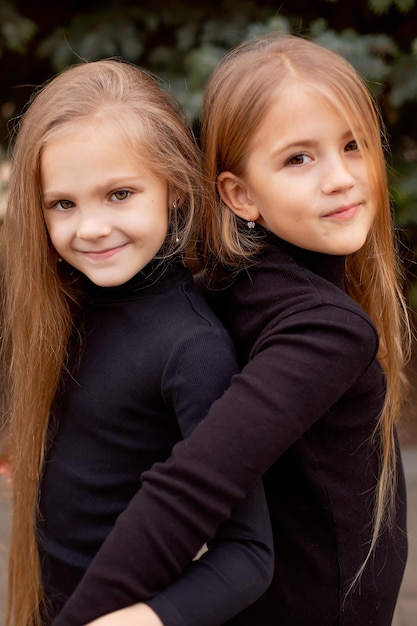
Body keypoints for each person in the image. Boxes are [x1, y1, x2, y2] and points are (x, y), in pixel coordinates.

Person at [51, 34, 410, 626]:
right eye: (299, 158)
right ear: (239, 194)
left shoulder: (225, 284)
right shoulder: (324, 329)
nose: (342, 178)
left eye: (354, 145)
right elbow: (194, 482)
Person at [0, 59, 275, 626]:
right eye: (63, 204)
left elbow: (249, 554)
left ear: (174, 188)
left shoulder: (193, 349)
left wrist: (146, 619)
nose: (91, 227)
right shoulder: (66, 307)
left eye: (119, 194)